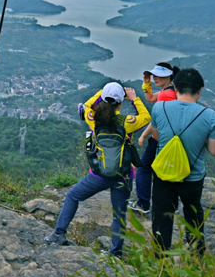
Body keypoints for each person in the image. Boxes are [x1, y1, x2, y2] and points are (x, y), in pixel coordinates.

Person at [44, 82, 150, 258]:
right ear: (120, 102)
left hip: (98, 175)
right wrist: (135, 99)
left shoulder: (93, 118)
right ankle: (116, 251)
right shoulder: (127, 122)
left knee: (73, 196)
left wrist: (102, 91)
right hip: (123, 176)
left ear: (103, 100)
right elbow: (146, 117)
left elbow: (83, 106)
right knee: (119, 213)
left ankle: (58, 234)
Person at [149, 68, 215, 254]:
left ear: (175, 87)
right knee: (193, 213)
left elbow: (157, 137)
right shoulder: (210, 116)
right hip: (192, 176)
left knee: (161, 216)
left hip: (163, 174)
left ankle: (160, 260)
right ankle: (195, 255)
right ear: (200, 90)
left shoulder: (159, 107)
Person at [129, 63, 180, 215]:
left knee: (144, 168)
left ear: (169, 76)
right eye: (154, 75)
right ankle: (172, 205)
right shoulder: (172, 91)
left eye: (159, 75)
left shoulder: (166, 94)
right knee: (165, 171)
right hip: (170, 137)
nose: (155, 78)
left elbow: (157, 119)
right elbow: (150, 98)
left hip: (160, 138)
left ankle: (143, 204)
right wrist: (147, 83)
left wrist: (144, 135)